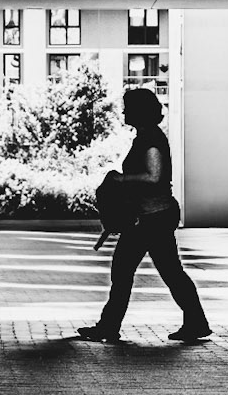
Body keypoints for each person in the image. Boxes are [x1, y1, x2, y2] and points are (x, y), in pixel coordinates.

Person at [76, 87, 211, 345]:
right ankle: (196, 322)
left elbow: (154, 176)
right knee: (169, 272)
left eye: (128, 108)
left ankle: (108, 327)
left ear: (140, 111)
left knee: (126, 270)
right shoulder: (146, 137)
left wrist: (119, 179)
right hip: (152, 217)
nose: (124, 112)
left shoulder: (151, 140)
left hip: (152, 219)